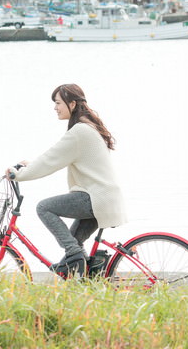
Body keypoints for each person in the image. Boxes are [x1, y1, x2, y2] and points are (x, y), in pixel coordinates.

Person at [7, 84, 127, 277]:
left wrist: (17, 175)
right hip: (103, 198)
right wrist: (30, 166)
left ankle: (75, 256)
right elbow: (54, 159)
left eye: (57, 103)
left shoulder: (80, 131)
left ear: (72, 104)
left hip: (95, 199)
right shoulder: (87, 126)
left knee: (44, 208)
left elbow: (49, 160)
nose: (55, 108)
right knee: (75, 241)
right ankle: (86, 279)